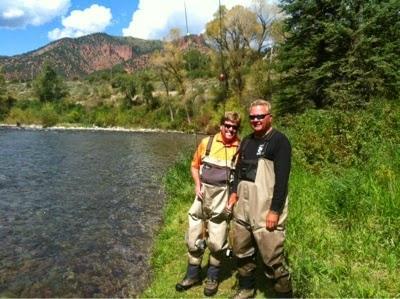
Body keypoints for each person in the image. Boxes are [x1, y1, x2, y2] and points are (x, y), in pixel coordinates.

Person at [227, 99, 293, 299]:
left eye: (260, 116)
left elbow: (282, 182)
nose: (256, 120)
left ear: (269, 117)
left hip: (266, 210)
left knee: (272, 257)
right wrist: (233, 192)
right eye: (252, 117)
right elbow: (238, 171)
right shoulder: (246, 141)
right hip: (243, 208)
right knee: (241, 250)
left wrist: (275, 210)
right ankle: (246, 289)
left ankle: (283, 295)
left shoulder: (279, 141)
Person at [175, 111, 241, 297]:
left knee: (217, 241)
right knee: (194, 235)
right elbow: (194, 166)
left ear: (237, 129)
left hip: (223, 196)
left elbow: (240, 178)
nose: (230, 130)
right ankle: (192, 275)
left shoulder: (240, 147)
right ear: (221, 126)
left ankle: (212, 278)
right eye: (227, 126)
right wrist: (197, 186)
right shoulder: (207, 143)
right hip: (202, 194)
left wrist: (233, 198)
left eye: (234, 127)